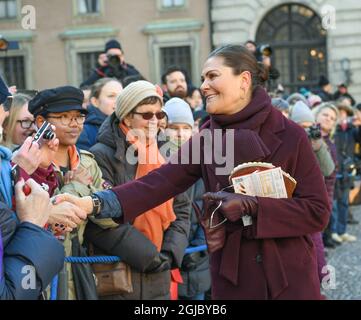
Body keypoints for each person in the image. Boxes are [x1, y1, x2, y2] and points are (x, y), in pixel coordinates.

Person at [56, 45, 330, 300]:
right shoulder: (206, 138)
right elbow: (157, 184)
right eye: (202, 77)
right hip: (234, 279)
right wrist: (95, 202)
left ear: (244, 80)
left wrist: (253, 207)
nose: (203, 85)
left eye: (212, 76)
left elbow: (317, 211)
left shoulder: (291, 135)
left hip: (288, 276)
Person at [86, 81, 191, 300]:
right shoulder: (102, 155)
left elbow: (182, 209)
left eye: (159, 114)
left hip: (160, 270)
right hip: (118, 273)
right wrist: (148, 256)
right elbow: (101, 219)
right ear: (126, 117)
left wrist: (170, 253)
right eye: (146, 115)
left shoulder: (168, 154)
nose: (154, 121)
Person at [28, 86, 106, 300]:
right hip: (40, 271)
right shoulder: (28, 163)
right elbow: (53, 225)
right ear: (41, 122)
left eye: (79, 117)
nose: (74, 124)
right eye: (64, 117)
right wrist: (79, 188)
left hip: (79, 266)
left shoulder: (87, 162)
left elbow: (109, 218)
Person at [164, 97, 211, 300]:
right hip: (164, 258)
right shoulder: (155, 161)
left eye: (186, 127)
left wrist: (198, 249)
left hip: (196, 259)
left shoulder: (205, 163)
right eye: (174, 127)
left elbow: (211, 208)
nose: (180, 133)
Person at [330, 100, 360, 244]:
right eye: (340, 113)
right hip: (334, 171)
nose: (342, 116)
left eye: (344, 113)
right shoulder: (333, 130)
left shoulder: (352, 130)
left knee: (344, 203)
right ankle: (333, 231)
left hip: (347, 172)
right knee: (333, 204)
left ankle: (342, 231)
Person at [312, 103, 339, 249]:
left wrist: (326, 204)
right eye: (325, 115)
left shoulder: (330, 144)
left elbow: (330, 177)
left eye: (332, 118)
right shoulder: (302, 135)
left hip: (321, 199)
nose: (328, 119)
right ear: (316, 114)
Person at [77, 78, 123, 151]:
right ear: (95, 102)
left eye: (121, 96)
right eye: (111, 96)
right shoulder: (83, 131)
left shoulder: (131, 126)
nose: (118, 100)